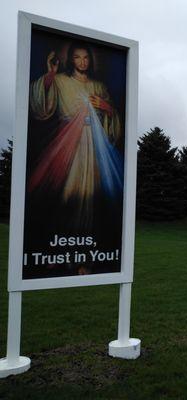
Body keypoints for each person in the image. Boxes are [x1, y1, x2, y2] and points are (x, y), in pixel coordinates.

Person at [25, 41, 123, 277]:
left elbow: (113, 123)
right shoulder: (60, 81)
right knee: (66, 196)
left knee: (91, 200)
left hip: (96, 150)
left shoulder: (98, 86)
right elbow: (41, 105)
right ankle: (59, 253)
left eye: (86, 58)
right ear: (71, 59)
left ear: (91, 60)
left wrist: (108, 109)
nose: (82, 62)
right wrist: (49, 74)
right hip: (67, 146)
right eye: (77, 57)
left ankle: (85, 258)